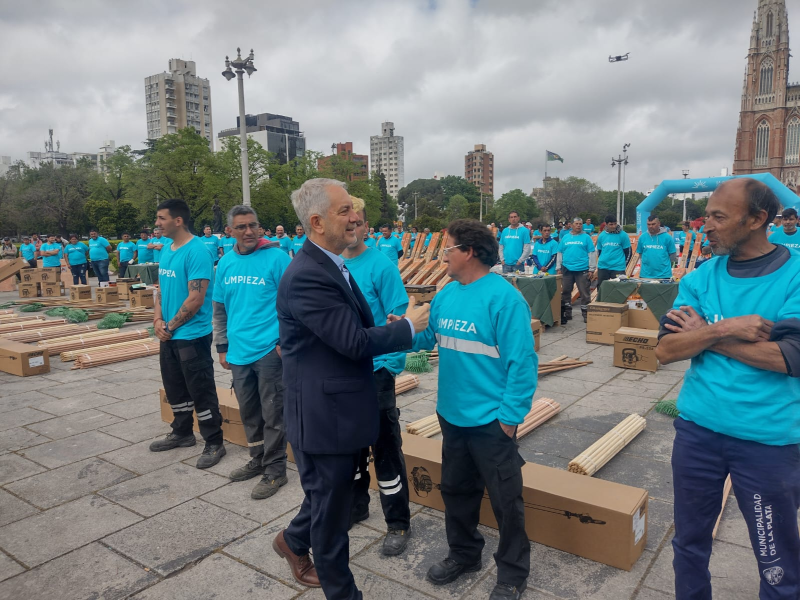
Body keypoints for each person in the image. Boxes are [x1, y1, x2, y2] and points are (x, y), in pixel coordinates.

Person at [272, 178, 429, 598]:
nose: (355, 216)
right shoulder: (309, 275)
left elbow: (347, 331)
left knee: (331, 495)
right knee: (331, 511)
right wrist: (407, 328)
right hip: (324, 416)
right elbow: (353, 341)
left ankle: (292, 541)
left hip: (339, 407)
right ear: (317, 222)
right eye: (344, 210)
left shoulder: (331, 264)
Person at [655, 178, 800, 600]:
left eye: (718, 217)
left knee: (776, 558)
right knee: (688, 542)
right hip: (698, 432)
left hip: (768, 441)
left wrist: (704, 335)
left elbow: (790, 359)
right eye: (707, 216)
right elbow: (665, 350)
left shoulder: (794, 276)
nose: (706, 226)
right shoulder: (701, 278)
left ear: (757, 219)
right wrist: (726, 329)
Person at [411, 218, 536, 600]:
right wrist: (403, 327)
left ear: (468, 252)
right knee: (456, 490)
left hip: (491, 423)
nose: (442, 256)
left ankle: (512, 573)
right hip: (451, 416)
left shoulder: (504, 299)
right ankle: (464, 554)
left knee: (505, 501)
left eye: (447, 248)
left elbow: (522, 364)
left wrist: (509, 420)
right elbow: (427, 337)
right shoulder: (447, 294)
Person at [342, 197, 412, 556]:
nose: (351, 227)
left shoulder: (381, 266)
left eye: (357, 222)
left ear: (366, 226)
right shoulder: (333, 266)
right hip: (345, 373)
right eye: (346, 221)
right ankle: (356, 506)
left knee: (385, 449)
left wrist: (388, 366)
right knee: (351, 448)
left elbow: (399, 320)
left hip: (376, 370)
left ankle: (397, 522)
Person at [213, 205, 292, 498]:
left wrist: (284, 342)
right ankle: (257, 459)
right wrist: (222, 346)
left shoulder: (277, 259)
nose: (249, 231)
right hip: (238, 351)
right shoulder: (225, 263)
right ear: (229, 231)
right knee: (249, 411)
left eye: (253, 225)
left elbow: (294, 303)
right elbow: (220, 309)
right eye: (242, 227)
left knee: (274, 413)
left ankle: (276, 470)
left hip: (269, 350)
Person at [150, 198, 226, 470]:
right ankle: (182, 432)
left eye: (162, 218)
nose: (157, 223)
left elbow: (196, 299)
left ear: (178, 220)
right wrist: (157, 319)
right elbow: (161, 289)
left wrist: (169, 326)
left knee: (200, 389)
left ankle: (214, 441)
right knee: (175, 386)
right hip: (169, 333)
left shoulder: (197, 252)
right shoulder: (167, 249)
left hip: (191, 335)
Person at [557, 218, 596, 323]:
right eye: (576, 224)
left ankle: (586, 314)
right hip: (567, 269)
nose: (579, 225)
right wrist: (558, 267)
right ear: (571, 225)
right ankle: (567, 313)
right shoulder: (565, 237)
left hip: (582, 269)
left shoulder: (586, 237)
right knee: (566, 291)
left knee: (584, 293)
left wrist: (591, 269)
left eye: (580, 224)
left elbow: (592, 253)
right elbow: (560, 252)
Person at [595, 215, 632, 287]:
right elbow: (599, 251)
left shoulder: (623, 235)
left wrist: (623, 264)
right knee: (602, 289)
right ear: (606, 224)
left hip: (618, 268)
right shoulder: (602, 235)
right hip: (603, 267)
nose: (613, 226)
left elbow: (628, 252)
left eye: (615, 224)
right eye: (611, 224)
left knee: (619, 289)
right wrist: (604, 260)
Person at [639, 215, 676, 279]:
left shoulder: (667, 237)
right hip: (646, 275)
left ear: (659, 223)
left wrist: (662, 264)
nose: (651, 226)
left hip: (664, 275)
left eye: (653, 224)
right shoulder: (642, 237)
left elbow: (672, 256)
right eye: (648, 224)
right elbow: (640, 254)